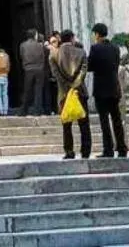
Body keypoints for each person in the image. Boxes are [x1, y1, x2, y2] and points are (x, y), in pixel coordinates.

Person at [87, 24, 127, 159]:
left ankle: (108, 149)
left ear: (97, 34)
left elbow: (90, 66)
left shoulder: (95, 48)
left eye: (94, 34)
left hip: (101, 89)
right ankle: (122, 147)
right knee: (116, 119)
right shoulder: (115, 48)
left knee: (104, 120)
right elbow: (115, 65)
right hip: (114, 88)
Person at [52, 28, 91, 160]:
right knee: (84, 123)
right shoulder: (81, 52)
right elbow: (83, 71)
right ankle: (85, 151)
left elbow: (56, 75)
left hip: (64, 93)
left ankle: (69, 151)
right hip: (79, 91)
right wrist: (75, 85)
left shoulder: (54, 55)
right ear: (72, 38)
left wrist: (68, 87)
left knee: (66, 124)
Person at [20, 30, 48, 117]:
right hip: (39, 69)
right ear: (34, 35)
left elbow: (21, 56)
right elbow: (44, 56)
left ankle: (24, 110)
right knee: (38, 90)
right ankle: (37, 111)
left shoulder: (23, 45)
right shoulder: (40, 45)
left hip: (28, 69)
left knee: (27, 90)